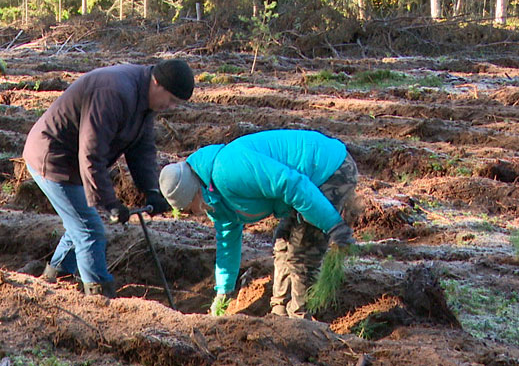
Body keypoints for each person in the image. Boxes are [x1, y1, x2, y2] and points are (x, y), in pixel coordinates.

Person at [22, 59, 195, 298]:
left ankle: (56, 276)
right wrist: (109, 203)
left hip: (73, 161)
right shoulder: (114, 93)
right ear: (157, 82)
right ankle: (99, 300)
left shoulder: (144, 99)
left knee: (81, 222)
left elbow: (141, 148)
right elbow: (92, 153)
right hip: (53, 157)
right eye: (172, 99)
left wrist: (151, 190)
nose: (171, 106)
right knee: (90, 231)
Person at [157, 130, 359, 319]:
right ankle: (278, 314)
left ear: (193, 193)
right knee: (282, 244)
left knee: (302, 254)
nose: (193, 214)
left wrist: (334, 225)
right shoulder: (211, 197)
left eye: (189, 209)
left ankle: (300, 321)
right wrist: (223, 292)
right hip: (301, 185)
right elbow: (227, 241)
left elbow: (290, 183)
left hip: (327, 168)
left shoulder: (227, 171)